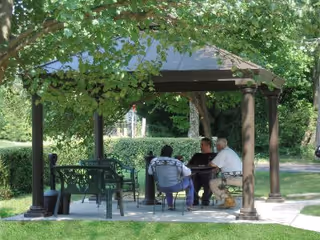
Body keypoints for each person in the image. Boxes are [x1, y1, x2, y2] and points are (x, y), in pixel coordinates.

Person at [148, 145, 194, 211]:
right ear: (171, 153)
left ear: (161, 152)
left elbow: (150, 172)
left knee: (166, 180)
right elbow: (188, 173)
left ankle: (170, 205)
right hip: (176, 186)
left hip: (161, 186)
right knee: (189, 181)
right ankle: (189, 205)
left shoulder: (154, 162)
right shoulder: (176, 162)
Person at [209, 138, 242, 209]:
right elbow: (225, 164)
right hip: (240, 178)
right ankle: (227, 202)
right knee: (219, 182)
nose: (216, 147)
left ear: (219, 145)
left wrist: (208, 163)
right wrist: (219, 168)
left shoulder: (223, 152)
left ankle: (229, 200)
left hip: (234, 178)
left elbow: (212, 164)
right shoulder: (230, 151)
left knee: (212, 182)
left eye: (216, 146)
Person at [188, 137, 217, 206]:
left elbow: (218, 167)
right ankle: (195, 199)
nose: (200, 146)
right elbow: (189, 165)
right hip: (196, 173)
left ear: (208, 145)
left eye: (202, 144)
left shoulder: (214, 155)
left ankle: (205, 199)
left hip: (208, 174)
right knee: (192, 179)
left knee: (210, 179)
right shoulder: (197, 155)